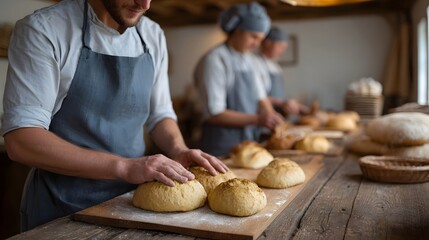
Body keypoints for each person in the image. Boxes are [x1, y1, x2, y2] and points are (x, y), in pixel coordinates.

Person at [1, 0, 228, 231]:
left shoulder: (152, 34)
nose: (145, 4)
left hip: (133, 203)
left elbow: (160, 114)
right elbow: (21, 140)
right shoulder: (45, 29)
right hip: (62, 209)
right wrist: (125, 167)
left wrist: (179, 150)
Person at [194, 2, 284, 157]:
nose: (256, 43)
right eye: (253, 36)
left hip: (248, 144)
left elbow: (261, 99)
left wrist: (271, 117)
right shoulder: (215, 59)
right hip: (220, 146)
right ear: (236, 30)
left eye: (260, 39)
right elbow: (215, 113)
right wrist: (258, 119)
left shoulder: (250, 61)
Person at [256, 26, 309, 117]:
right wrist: (282, 103)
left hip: (277, 117)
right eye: (281, 47)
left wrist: (294, 106)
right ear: (268, 43)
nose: (282, 51)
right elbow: (256, 97)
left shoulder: (276, 67)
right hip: (262, 117)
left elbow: (279, 97)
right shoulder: (255, 64)